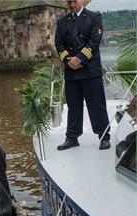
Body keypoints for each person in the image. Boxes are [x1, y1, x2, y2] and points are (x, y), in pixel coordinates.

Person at [55, 0, 111, 151]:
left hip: (90, 71)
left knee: (97, 106)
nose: (71, 4)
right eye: (69, 2)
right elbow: (59, 44)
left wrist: (79, 58)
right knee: (73, 107)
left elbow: (94, 41)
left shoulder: (94, 17)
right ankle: (72, 137)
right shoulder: (62, 22)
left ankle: (104, 136)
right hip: (71, 72)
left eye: (74, 1)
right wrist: (69, 61)